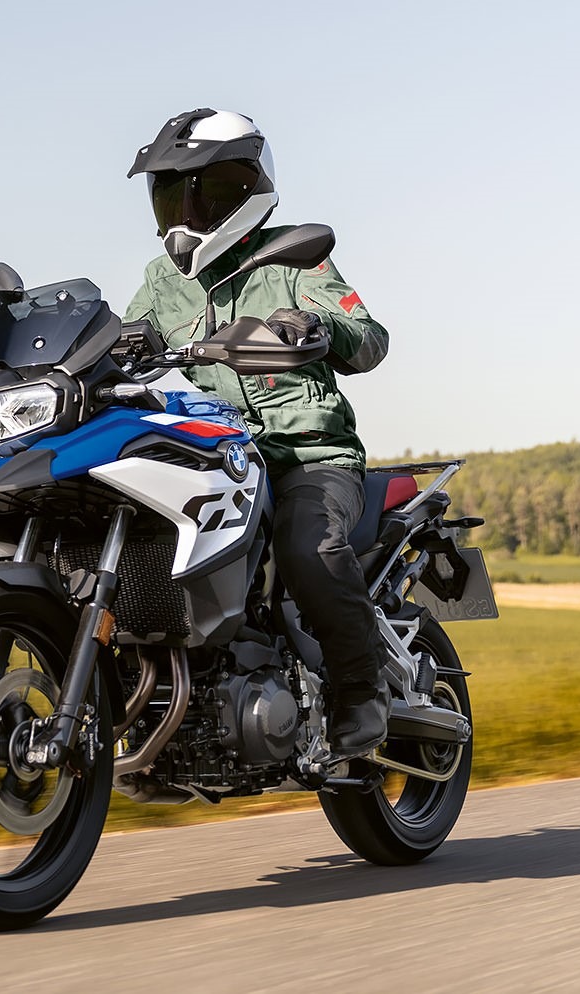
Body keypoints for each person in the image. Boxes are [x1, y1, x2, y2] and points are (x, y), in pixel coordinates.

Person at [123, 108, 392, 757]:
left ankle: (363, 691)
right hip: (214, 454)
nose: (184, 213)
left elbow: (370, 339)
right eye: (170, 195)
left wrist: (320, 328)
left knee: (308, 547)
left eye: (199, 193)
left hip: (306, 455)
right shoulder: (163, 280)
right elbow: (123, 342)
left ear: (242, 188)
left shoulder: (297, 256)